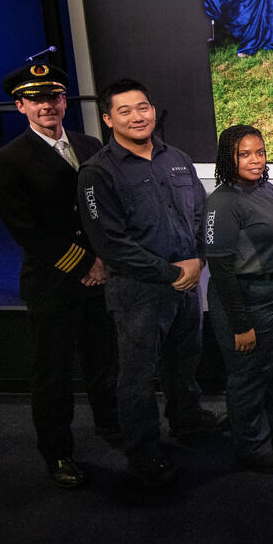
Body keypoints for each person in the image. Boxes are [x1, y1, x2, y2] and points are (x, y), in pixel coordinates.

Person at [78, 79, 226, 489]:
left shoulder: (175, 158)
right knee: (137, 376)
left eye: (142, 107)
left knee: (185, 357)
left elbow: (202, 213)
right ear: (108, 119)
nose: (137, 116)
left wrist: (197, 259)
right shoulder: (97, 173)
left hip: (187, 281)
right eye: (124, 110)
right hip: (139, 292)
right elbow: (110, 243)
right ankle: (143, 451)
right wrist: (172, 272)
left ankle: (187, 418)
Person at [0, 63, 119, 489]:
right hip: (54, 280)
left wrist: (102, 260)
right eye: (37, 99)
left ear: (64, 101)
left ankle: (111, 425)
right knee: (54, 374)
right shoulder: (10, 159)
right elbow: (24, 229)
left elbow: (104, 206)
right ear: (20, 106)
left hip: (100, 275)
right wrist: (85, 264)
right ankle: (58, 453)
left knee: (104, 361)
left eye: (54, 97)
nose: (47, 105)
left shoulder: (87, 143)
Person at [205, 126, 273, 474]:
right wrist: (240, 324)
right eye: (245, 154)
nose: (255, 160)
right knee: (249, 375)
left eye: (260, 152)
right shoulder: (222, 202)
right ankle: (251, 446)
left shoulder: (268, 189)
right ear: (228, 158)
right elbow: (220, 269)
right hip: (248, 298)